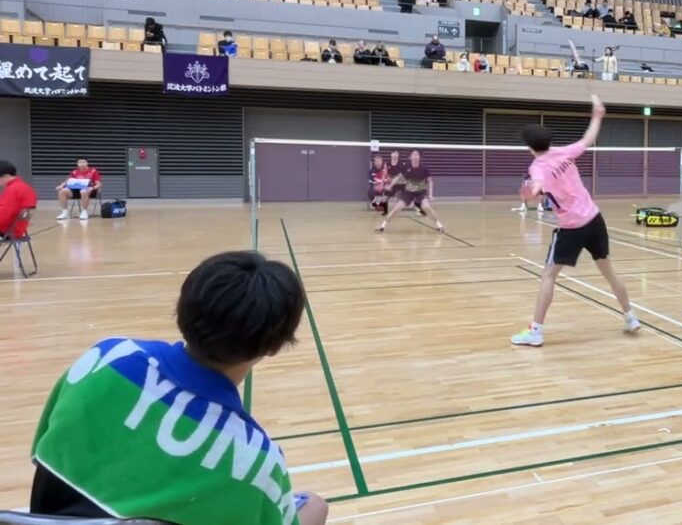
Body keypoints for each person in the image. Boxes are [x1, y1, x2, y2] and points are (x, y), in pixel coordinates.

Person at [27, 250, 329, 525]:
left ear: (183, 308)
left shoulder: (105, 358)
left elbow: (43, 449)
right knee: (314, 506)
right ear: (274, 346)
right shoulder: (257, 462)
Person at [511, 95, 641, 347]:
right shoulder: (564, 152)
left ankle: (535, 331)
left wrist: (528, 190)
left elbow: (535, 186)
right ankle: (630, 317)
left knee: (548, 276)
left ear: (530, 147)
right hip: (594, 219)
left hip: (571, 228)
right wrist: (597, 115)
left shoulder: (537, 166)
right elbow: (588, 139)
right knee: (609, 272)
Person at [376, 150, 444, 233]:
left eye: (417, 155)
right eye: (413, 155)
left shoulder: (424, 168)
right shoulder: (406, 167)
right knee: (397, 208)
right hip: (408, 193)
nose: (415, 157)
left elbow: (430, 181)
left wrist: (430, 194)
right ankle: (383, 226)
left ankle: (439, 225)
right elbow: (398, 177)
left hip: (421, 192)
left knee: (426, 207)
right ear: (410, 157)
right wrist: (390, 186)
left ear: (420, 157)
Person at [0, 160, 37, 240]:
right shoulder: (27, 188)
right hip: (20, 229)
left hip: (8, 232)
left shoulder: (12, 190)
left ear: (6, 176)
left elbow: (3, 215)